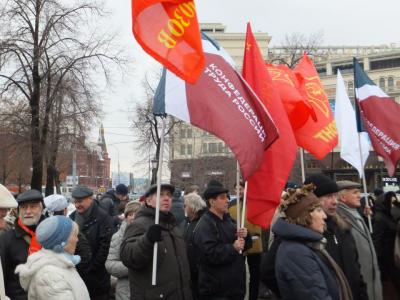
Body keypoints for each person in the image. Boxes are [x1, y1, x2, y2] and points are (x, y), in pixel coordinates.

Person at [273, 185, 352, 300]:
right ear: (304, 217)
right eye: (318, 210)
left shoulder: (306, 246)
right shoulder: (297, 254)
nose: (324, 216)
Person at [120, 183, 192, 299]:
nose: (166, 198)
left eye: (169, 195)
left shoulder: (173, 227)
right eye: (160, 195)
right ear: (148, 201)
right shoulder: (139, 225)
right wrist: (147, 240)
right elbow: (128, 256)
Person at [304, 174, 368, 300]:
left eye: (335, 196)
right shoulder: (304, 234)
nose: (335, 201)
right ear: (312, 200)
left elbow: (356, 270)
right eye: (328, 196)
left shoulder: (343, 228)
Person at [193, 180, 252, 300]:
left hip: (234, 289)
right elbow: (209, 255)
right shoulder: (205, 224)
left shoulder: (229, 221)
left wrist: (246, 236)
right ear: (212, 201)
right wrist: (233, 248)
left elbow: (243, 246)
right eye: (222, 198)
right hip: (217, 291)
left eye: (227, 197)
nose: (227, 200)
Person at [15, 216, 90, 300]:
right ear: (62, 241)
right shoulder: (49, 275)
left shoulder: (62, 263)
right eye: (74, 235)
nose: (77, 240)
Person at [337, 180, 382, 300]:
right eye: (355, 192)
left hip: (368, 277)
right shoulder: (339, 217)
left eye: (359, 192)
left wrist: (367, 219)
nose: (359, 196)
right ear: (343, 197)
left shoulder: (354, 213)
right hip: (360, 282)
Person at [0, 189, 45, 300]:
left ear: (41, 209)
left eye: (33, 207)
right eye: (24, 207)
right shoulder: (6, 239)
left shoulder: (52, 236)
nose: (28, 211)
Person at [69, 185, 113, 300]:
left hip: (98, 277)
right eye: (75, 201)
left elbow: (106, 246)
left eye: (80, 201)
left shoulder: (103, 217)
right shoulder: (72, 217)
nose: (77, 205)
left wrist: (92, 267)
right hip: (78, 274)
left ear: (90, 199)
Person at [229, 181, 263, 300]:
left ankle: (253, 297)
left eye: (241, 189)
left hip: (255, 244)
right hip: (240, 244)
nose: (238, 191)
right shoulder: (232, 205)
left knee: (255, 275)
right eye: (236, 189)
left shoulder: (254, 203)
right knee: (240, 273)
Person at [44, 193, 92, 276]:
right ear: (65, 210)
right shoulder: (71, 229)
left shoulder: (41, 229)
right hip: (68, 276)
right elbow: (86, 255)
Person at [106, 201, 141, 300]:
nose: (133, 217)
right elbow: (110, 264)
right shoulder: (118, 237)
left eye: (137, 214)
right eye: (130, 214)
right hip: (126, 292)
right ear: (126, 217)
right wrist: (133, 267)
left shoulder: (148, 236)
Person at [373, 192, 400, 298]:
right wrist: (379, 262)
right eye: (391, 201)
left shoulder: (389, 215)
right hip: (387, 259)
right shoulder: (380, 218)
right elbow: (377, 240)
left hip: (392, 255)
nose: (393, 204)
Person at [180, 192, 207, 300]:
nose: (183, 208)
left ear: (192, 207)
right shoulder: (188, 222)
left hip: (199, 275)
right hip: (191, 273)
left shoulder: (202, 223)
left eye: (185, 205)